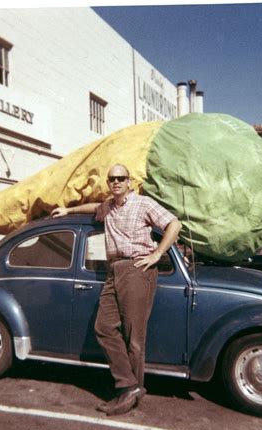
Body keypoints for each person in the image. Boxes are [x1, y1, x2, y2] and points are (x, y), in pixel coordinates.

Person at [51, 164, 181, 415]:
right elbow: (93, 208)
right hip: (114, 271)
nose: (116, 182)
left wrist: (157, 254)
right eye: (112, 179)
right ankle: (130, 385)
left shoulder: (143, 204)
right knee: (104, 326)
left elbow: (174, 225)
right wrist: (68, 209)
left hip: (137, 268)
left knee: (134, 337)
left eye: (121, 178)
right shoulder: (108, 207)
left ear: (129, 182)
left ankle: (129, 392)